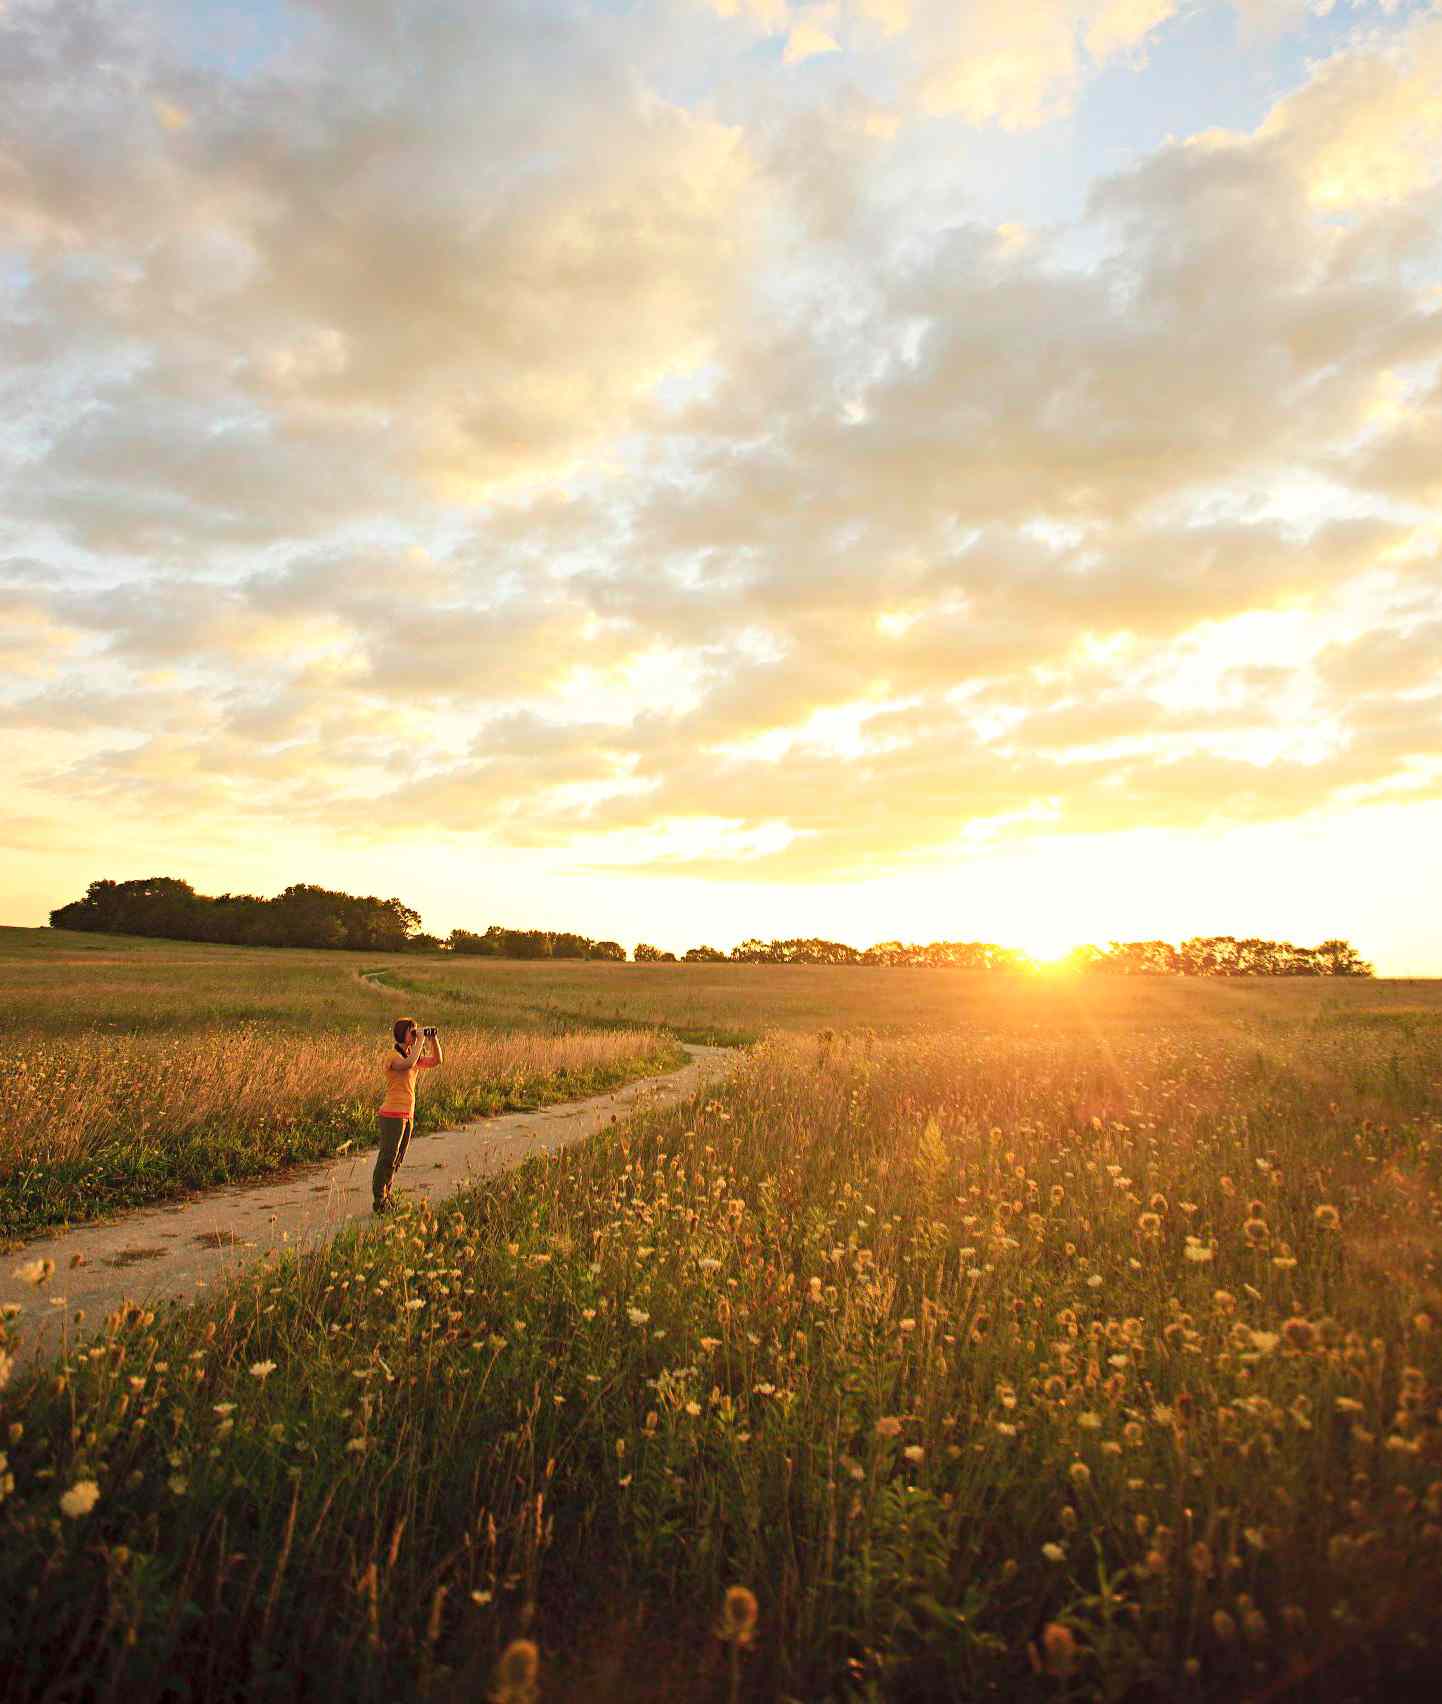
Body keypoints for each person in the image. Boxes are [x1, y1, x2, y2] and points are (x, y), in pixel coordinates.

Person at [373, 1016, 442, 1212]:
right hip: (392, 1114)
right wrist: (420, 1040)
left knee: (397, 1159)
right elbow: (408, 1064)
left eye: (416, 1030)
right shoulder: (393, 1056)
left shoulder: (412, 1053)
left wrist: (432, 1039)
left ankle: (387, 1197)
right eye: (411, 1030)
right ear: (402, 1032)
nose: (414, 1033)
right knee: (387, 1157)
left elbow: (437, 1060)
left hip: (407, 1113)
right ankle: (379, 1201)